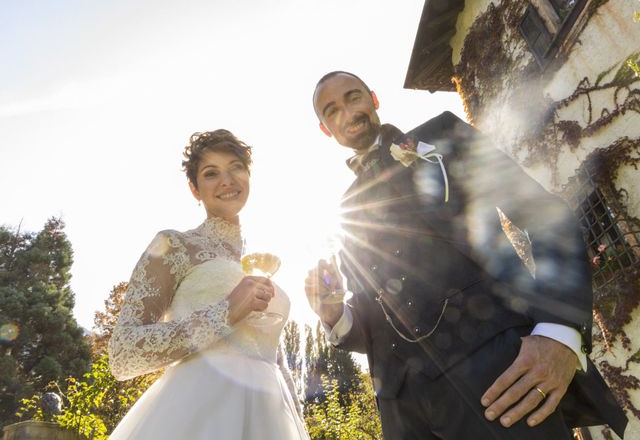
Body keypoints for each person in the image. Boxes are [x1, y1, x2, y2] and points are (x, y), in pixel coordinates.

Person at [305, 71, 627, 439]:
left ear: (374, 99)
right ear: (325, 129)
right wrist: (333, 315)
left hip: (497, 377)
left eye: (353, 97)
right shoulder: (345, 209)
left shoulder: (440, 136)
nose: (347, 112)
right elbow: (377, 322)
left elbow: (542, 217)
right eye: (332, 110)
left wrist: (560, 332)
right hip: (406, 412)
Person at [108, 130, 308, 440]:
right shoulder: (174, 245)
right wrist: (226, 312)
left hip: (271, 416)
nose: (227, 180)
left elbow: (276, 359)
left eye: (236, 167)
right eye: (211, 173)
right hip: (200, 412)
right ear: (194, 189)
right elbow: (123, 354)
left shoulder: (256, 260)